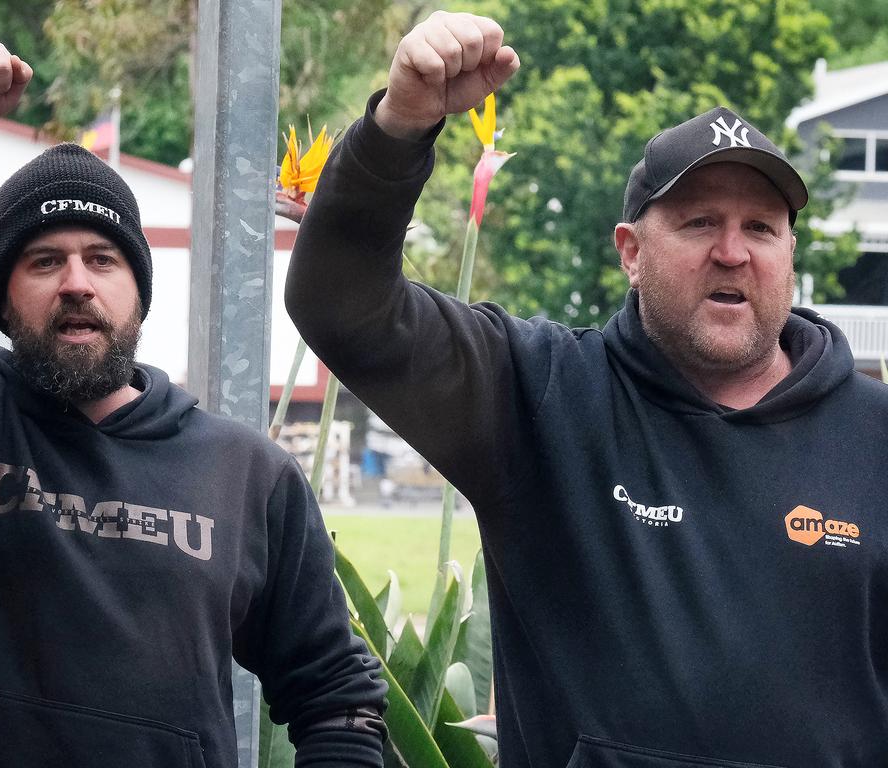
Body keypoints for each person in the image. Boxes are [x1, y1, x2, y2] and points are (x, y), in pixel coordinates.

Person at [286, 10, 888, 767]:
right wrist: (399, 125)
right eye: (700, 222)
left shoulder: (875, 439)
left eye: (761, 227)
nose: (732, 252)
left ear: (789, 251)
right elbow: (343, 307)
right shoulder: (536, 396)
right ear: (631, 252)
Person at [0, 36, 386, 768]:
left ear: (138, 292)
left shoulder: (247, 475)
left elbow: (337, 698)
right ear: (3, 300)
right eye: (44, 261)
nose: (77, 281)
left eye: (103, 259)